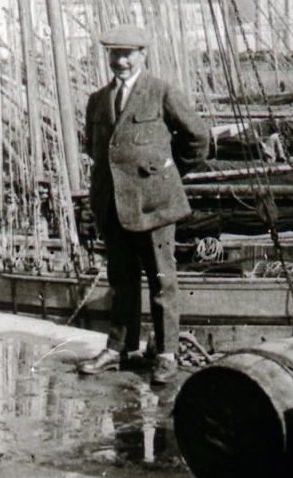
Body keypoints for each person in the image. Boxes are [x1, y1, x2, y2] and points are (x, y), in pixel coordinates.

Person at [77, 25, 209, 386]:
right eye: (114, 54)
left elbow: (198, 137)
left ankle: (166, 354)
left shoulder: (161, 92)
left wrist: (167, 173)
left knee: (162, 281)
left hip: (155, 206)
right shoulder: (97, 100)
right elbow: (96, 151)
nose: (120, 61)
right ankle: (119, 348)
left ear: (143, 54)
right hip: (114, 206)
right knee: (122, 281)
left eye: (128, 53)